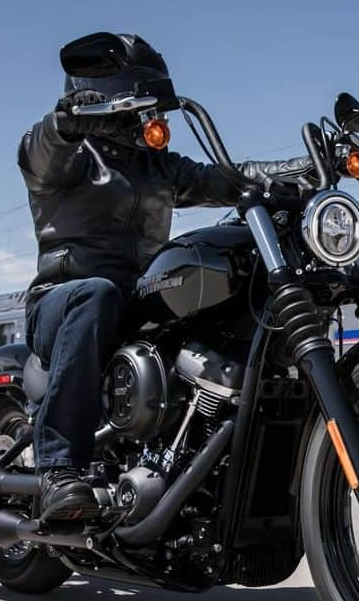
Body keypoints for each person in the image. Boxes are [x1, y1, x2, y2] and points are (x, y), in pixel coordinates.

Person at [19, 33, 311, 521]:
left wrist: (300, 172)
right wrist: (65, 121)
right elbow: (41, 152)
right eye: (140, 99)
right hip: (64, 300)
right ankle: (59, 471)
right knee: (97, 293)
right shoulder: (65, 154)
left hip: (134, 301)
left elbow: (229, 177)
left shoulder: (156, 165)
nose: (150, 116)